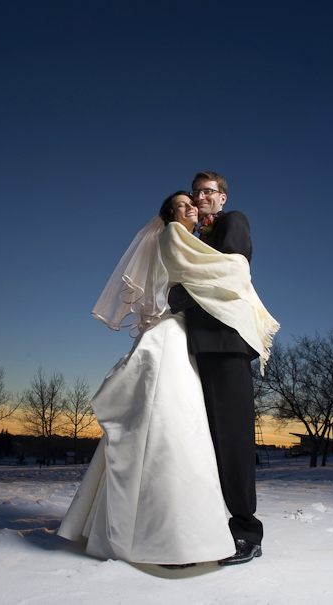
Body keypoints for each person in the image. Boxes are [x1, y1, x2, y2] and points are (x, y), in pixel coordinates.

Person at [57, 191, 278, 568]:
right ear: (169, 214)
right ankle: (166, 534)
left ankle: (197, 531)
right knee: (171, 431)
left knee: (182, 432)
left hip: (196, 343)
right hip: (174, 337)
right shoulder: (172, 235)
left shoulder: (207, 235)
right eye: (183, 203)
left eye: (196, 200)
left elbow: (219, 276)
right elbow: (173, 291)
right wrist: (178, 297)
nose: (192, 205)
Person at [167, 171, 265, 565]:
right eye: (196, 192)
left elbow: (230, 274)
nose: (201, 198)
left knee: (233, 439)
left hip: (226, 345)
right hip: (192, 348)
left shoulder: (233, 221)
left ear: (222, 198)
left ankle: (247, 533)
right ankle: (202, 532)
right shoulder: (189, 234)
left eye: (209, 192)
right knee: (196, 442)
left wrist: (180, 293)